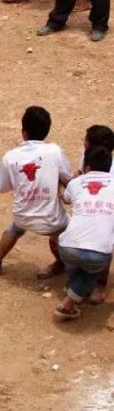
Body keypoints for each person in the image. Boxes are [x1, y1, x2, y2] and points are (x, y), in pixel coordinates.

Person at [0, 106, 73, 279]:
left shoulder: (10, 157)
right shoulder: (55, 151)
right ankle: (62, 263)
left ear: (24, 132)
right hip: (53, 221)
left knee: (13, 228)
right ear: (46, 131)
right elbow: (67, 178)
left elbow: (0, 187)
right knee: (68, 229)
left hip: (23, 217)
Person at [53, 146, 114, 321]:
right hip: (97, 254)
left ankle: (74, 287)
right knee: (93, 268)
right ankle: (68, 303)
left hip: (66, 248)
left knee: (78, 262)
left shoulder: (76, 183)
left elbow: (66, 199)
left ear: (87, 167)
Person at [78, 124, 114, 303]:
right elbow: (79, 174)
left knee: (104, 239)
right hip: (91, 206)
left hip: (107, 211)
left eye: (86, 140)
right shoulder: (86, 156)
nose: (83, 142)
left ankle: (100, 284)